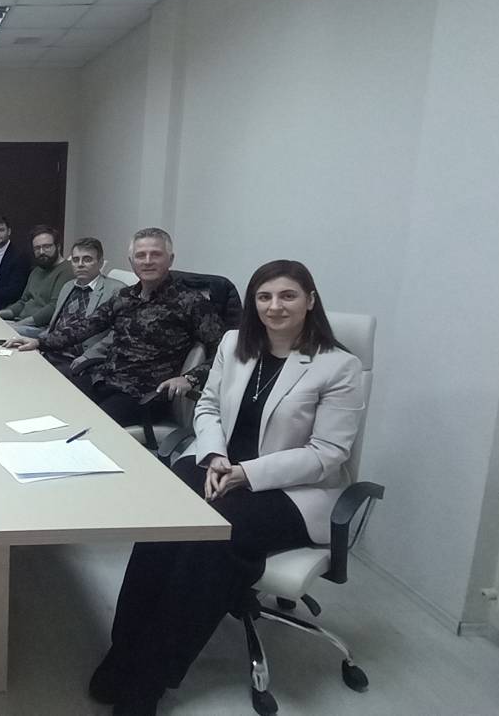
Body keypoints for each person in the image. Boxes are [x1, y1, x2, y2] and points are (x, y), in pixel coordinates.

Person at [90, 259, 366, 715]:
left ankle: (151, 676)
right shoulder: (235, 344)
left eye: (288, 296)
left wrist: (247, 473)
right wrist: (217, 456)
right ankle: (123, 652)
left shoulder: (338, 366)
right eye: (264, 297)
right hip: (221, 466)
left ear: (310, 301)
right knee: (164, 520)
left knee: (211, 539)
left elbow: (328, 453)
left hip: (293, 489)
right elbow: (208, 408)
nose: (275, 306)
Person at [8, 228, 222, 443]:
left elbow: (224, 352)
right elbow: (86, 326)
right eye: (140, 255)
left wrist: (190, 378)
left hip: (143, 394)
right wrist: (39, 342)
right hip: (105, 379)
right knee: (49, 402)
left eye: (155, 254)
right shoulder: (125, 297)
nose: (147, 261)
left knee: (84, 429)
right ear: (132, 261)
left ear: (171, 259)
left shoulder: (190, 302)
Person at [39, 237, 126, 369]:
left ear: (100, 262)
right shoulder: (67, 286)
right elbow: (55, 325)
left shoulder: (117, 290)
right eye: (75, 260)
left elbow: (117, 334)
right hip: (51, 352)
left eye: (87, 259)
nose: (80, 264)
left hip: (80, 360)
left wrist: (89, 356)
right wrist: (40, 344)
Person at [0, 225, 73, 337]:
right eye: (37, 248)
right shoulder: (36, 271)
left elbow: (54, 307)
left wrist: (17, 325)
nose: (41, 252)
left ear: (58, 247)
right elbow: (23, 302)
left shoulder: (67, 270)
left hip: (41, 328)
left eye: (46, 247)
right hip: (20, 322)